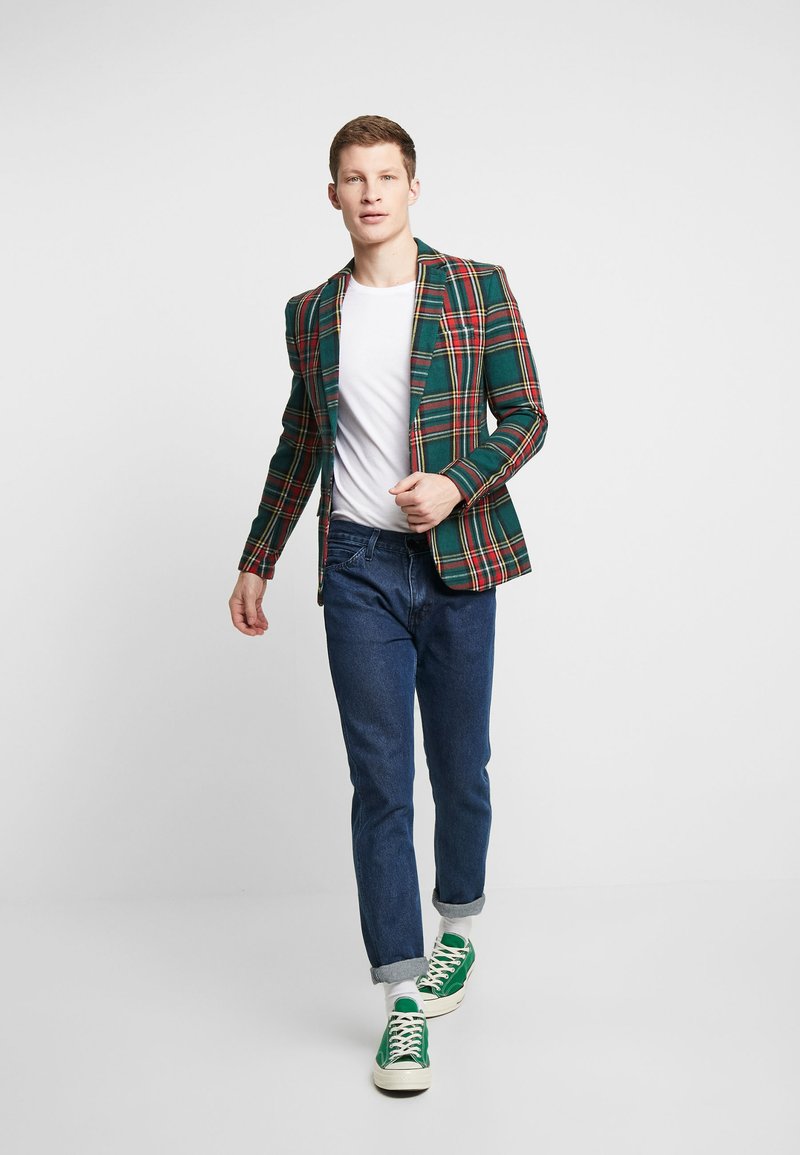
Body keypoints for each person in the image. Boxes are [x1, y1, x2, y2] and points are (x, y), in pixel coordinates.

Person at [229, 114, 547, 1092]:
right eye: (353, 178)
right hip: (360, 568)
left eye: (386, 176)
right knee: (379, 784)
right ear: (332, 195)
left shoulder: (474, 287)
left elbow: (526, 415)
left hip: (458, 563)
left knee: (461, 768)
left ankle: (458, 926)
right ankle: (400, 1001)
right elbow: (300, 441)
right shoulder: (310, 314)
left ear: (413, 188)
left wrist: (455, 482)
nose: (370, 192)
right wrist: (258, 558)